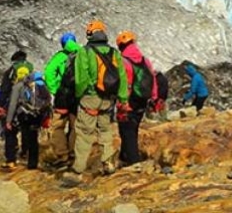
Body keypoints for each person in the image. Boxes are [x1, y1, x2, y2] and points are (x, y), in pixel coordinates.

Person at [62, 20, 129, 185]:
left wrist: (79, 96)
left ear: (90, 34)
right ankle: (109, 162)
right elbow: (122, 77)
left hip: (90, 99)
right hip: (108, 100)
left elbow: (81, 79)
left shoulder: (84, 52)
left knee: (85, 134)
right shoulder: (114, 53)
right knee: (105, 130)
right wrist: (123, 99)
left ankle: (77, 171)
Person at [115, 30, 157, 168]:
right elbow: (153, 78)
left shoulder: (123, 61)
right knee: (133, 127)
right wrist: (154, 98)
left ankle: (134, 162)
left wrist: (122, 102)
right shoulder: (145, 60)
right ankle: (125, 155)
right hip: (143, 99)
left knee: (126, 129)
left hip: (129, 99)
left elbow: (124, 83)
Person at [44, 32, 81, 166]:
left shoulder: (60, 57)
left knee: (58, 127)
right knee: (75, 126)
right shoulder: (83, 54)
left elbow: (49, 73)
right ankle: (73, 153)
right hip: (78, 97)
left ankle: (62, 154)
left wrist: (55, 89)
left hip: (63, 96)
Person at [4, 71, 51, 170]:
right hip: (38, 115)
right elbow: (48, 102)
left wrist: (9, 120)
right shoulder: (43, 86)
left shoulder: (19, 86)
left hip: (25, 115)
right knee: (33, 138)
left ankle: (20, 155)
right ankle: (32, 163)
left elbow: (13, 104)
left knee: (25, 135)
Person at [0, 50, 34, 160]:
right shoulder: (31, 70)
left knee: (10, 130)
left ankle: (11, 158)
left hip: (13, 102)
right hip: (29, 102)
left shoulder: (10, 71)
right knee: (27, 128)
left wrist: (0, 105)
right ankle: (26, 152)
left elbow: (4, 89)